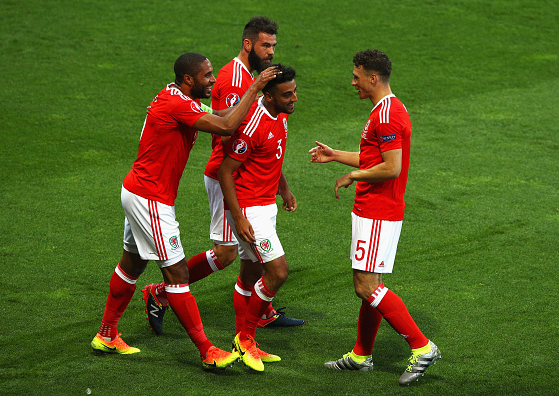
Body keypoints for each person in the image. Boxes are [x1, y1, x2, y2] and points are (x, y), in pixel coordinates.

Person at [90, 52, 280, 371]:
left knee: (132, 264)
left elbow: (221, 114)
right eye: (207, 76)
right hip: (150, 198)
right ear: (189, 79)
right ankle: (207, 350)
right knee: (176, 274)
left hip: (140, 191)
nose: (213, 80)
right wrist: (255, 88)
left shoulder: (177, 96)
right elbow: (224, 125)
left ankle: (107, 334)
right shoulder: (178, 104)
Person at [142, 16, 303, 336]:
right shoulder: (234, 81)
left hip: (251, 179)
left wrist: (281, 185)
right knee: (229, 253)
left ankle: (261, 312)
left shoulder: (251, 79)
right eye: (265, 46)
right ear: (248, 44)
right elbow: (229, 134)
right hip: (227, 177)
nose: (270, 53)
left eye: (273, 46)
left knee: (250, 256)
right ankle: (161, 291)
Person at [309, 49, 441, 385]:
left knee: (366, 286)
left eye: (356, 77)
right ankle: (361, 355)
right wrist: (335, 156)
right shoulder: (385, 109)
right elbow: (374, 158)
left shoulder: (387, 115)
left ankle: (421, 346)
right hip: (375, 210)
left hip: (378, 211)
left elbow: (391, 167)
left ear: (372, 78)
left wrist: (352, 177)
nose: (352, 83)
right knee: (372, 286)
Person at [218, 64, 298, 372]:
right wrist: (238, 218)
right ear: (268, 95)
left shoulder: (282, 115)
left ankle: (246, 342)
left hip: (267, 205)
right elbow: (226, 171)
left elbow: (273, 157)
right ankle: (246, 337)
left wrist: (285, 189)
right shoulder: (252, 126)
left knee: (250, 274)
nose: (293, 99)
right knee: (278, 272)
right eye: (286, 94)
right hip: (250, 210)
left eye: (294, 92)